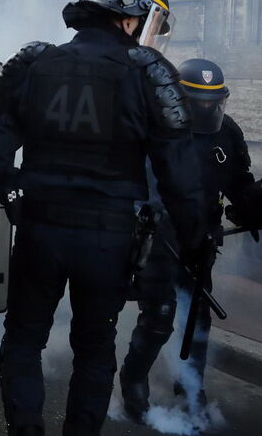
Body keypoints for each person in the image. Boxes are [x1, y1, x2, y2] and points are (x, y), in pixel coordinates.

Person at [0, 0, 207, 436]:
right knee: (95, 349)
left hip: (39, 229)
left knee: (23, 338)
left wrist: (17, 190)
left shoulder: (37, 62)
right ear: (133, 17)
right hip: (109, 239)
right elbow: (180, 172)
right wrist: (193, 239)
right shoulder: (148, 72)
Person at [120, 58, 262, 422]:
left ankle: (191, 383)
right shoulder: (157, 129)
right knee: (160, 316)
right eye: (198, 101)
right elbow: (134, 186)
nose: (206, 109)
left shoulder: (226, 132)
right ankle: (134, 379)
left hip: (202, 241)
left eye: (212, 102)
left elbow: (239, 183)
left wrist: (254, 203)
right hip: (159, 239)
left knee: (198, 316)